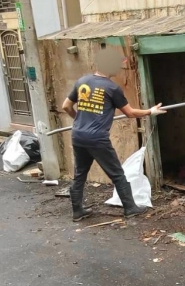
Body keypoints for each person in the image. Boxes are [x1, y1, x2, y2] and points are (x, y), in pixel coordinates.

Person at [62, 70, 165, 221]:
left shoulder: (82, 81)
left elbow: (66, 106)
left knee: (80, 174)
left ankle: (77, 211)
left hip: (78, 135)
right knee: (117, 173)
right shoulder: (112, 88)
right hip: (97, 138)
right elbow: (130, 113)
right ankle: (130, 208)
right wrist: (150, 111)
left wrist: (80, 121)